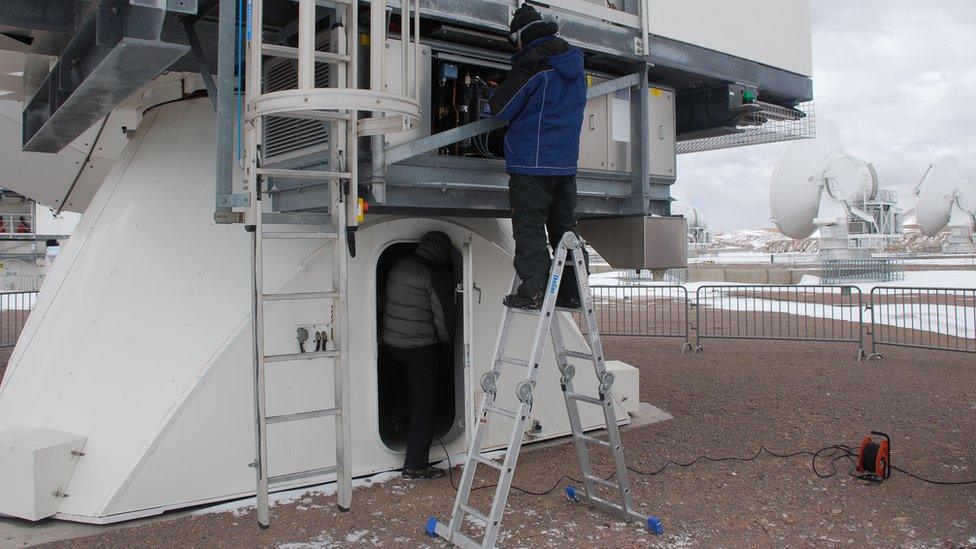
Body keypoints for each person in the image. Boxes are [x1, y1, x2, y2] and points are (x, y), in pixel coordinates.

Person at [485, 3, 589, 310]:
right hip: (565, 164)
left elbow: (502, 107)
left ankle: (533, 291)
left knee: (529, 226)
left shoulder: (534, 63)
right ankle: (573, 291)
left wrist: (492, 95)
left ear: (520, 35)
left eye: (512, 40)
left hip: (532, 163)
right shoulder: (573, 64)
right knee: (564, 228)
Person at [380, 231, 455, 479]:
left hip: (392, 342)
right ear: (442, 251)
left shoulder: (400, 264)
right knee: (426, 402)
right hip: (418, 346)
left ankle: (397, 422)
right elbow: (443, 317)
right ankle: (415, 465)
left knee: (403, 384)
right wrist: (447, 343)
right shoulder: (435, 273)